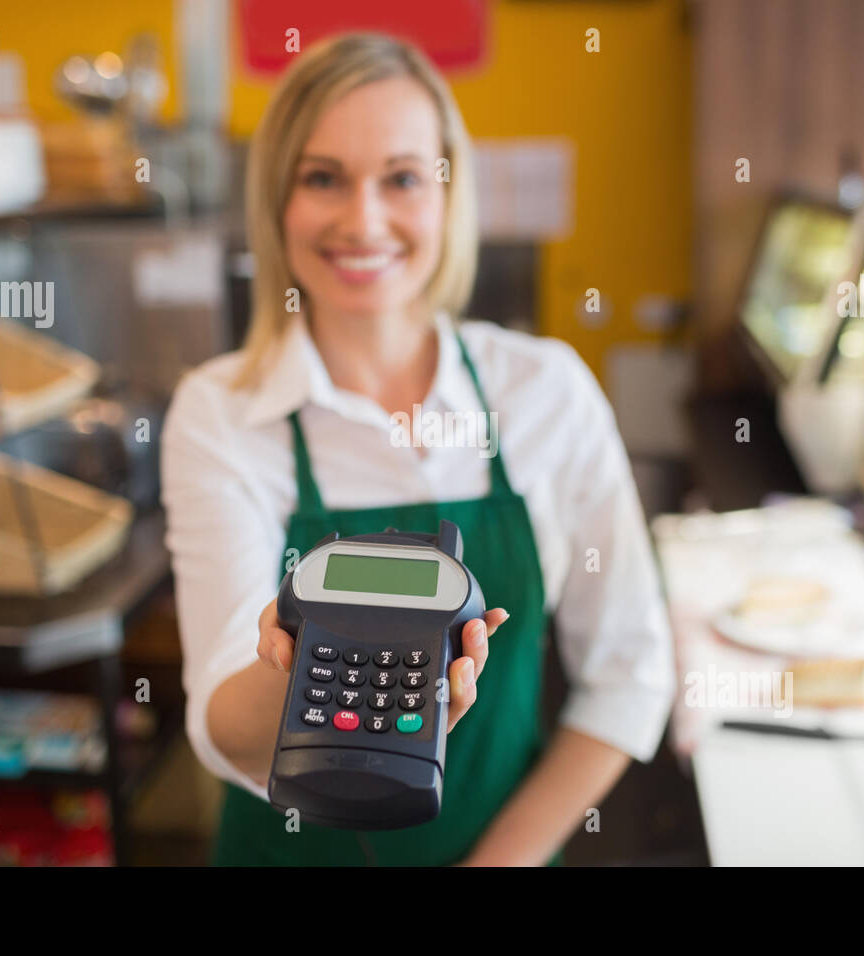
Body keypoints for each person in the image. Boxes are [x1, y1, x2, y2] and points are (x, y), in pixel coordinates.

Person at [161, 31, 674, 866]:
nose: (363, 220)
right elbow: (222, 728)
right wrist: (291, 664)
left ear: (447, 195)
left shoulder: (545, 391)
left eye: (402, 178)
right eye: (322, 177)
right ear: (277, 202)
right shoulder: (221, 412)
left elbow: (630, 673)